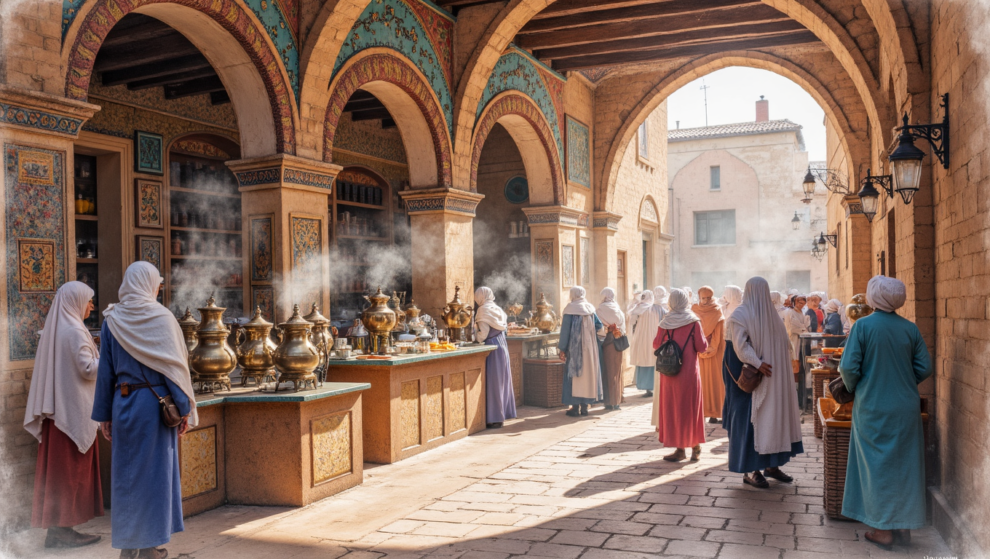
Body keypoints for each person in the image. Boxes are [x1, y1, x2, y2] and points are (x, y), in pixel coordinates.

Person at [92, 262, 198, 559]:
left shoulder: (112, 320)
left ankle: (128, 548)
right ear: (149, 284)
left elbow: (105, 372)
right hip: (155, 409)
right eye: (157, 283)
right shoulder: (162, 318)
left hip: (123, 405)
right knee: (154, 478)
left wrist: (104, 416)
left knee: (126, 478)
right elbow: (174, 369)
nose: (159, 288)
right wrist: (185, 409)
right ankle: (150, 548)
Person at [838, 276, 932, 549]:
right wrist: (902, 379)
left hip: (873, 406)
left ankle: (883, 530)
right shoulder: (910, 328)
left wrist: (859, 386)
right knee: (904, 466)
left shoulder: (862, 326)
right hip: (905, 407)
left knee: (877, 467)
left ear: (874, 297)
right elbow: (924, 368)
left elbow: (847, 369)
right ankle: (903, 527)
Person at [24, 282, 104, 549]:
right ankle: (62, 532)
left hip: (59, 415)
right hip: (71, 414)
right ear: (75, 301)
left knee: (60, 473)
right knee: (69, 474)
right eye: (89, 300)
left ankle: (59, 530)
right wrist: (111, 359)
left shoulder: (59, 329)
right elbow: (88, 369)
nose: (92, 305)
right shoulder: (74, 331)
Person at [722, 277, 804, 488]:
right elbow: (739, 347)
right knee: (749, 421)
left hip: (771, 379)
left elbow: (784, 345)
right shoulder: (740, 314)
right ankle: (751, 470)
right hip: (749, 379)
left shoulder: (772, 316)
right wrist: (757, 363)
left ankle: (771, 465)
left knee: (772, 419)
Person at [652, 289, 707, 462]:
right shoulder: (693, 322)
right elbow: (702, 347)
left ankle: (679, 449)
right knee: (690, 408)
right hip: (689, 373)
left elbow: (656, 344)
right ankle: (695, 447)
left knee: (674, 409)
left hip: (670, 374)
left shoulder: (665, 322)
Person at [557, 287, 604, 417]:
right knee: (588, 376)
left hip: (574, 349)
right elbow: (599, 326)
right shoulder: (590, 309)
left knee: (574, 376)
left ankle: (575, 407)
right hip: (589, 349)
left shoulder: (570, 309)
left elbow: (565, 332)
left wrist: (562, 348)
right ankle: (585, 408)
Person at [475, 287, 516, 428]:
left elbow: (483, 334)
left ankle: (494, 418)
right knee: (502, 380)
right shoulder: (497, 309)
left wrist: (476, 337)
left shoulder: (482, 310)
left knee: (493, 382)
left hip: (491, 347)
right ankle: (502, 414)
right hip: (502, 345)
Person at [692, 287, 726, 424]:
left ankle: (716, 413)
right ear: (699, 297)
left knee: (716, 381)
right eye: (703, 298)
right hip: (698, 352)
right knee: (701, 382)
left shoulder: (717, 311)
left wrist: (709, 349)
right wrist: (699, 348)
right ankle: (703, 412)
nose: (706, 301)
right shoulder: (694, 310)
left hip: (715, 353)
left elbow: (718, 334)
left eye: (708, 298)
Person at [596, 287, 627, 410]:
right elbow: (623, 328)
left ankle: (609, 402)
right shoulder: (618, 309)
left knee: (607, 372)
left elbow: (598, 328)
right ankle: (617, 401)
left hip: (606, 342)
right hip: (618, 341)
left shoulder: (600, 310)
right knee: (617, 371)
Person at [628, 290, 660, 397]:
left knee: (643, 360)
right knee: (652, 360)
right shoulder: (655, 309)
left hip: (641, 339)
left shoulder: (638, 308)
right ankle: (654, 387)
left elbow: (631, 321)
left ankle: (647, 388)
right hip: (653, 338)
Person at [783, 295, 810, 376]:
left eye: (803, 304)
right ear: (795, 302)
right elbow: (791, 327)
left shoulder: (802, 312)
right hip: (794, 339)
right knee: (794, 359)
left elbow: (805, 325)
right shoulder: (791, 312)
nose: (802, 305)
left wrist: (803, 328)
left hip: (801, 340)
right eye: (800, 303)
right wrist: (802, 329)